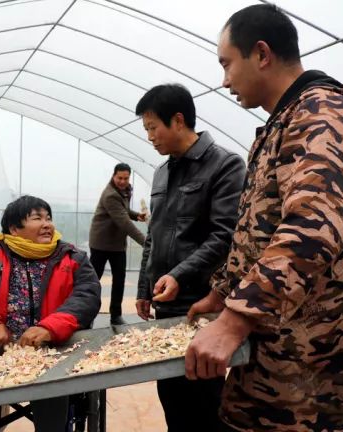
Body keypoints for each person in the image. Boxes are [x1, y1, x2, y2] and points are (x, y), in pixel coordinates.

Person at [184, 4, 343, 431]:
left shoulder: (320, 114)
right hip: (273, 356)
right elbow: (259, 229)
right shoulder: (282, 122)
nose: (224, 80)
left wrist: (235, 319)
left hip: (307, 371)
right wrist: (221, 294)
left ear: (261, 54)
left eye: (226, 63)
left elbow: (314, 227)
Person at [134, 83, 246, 431]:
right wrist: (143, 286)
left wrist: (180, 274)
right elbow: (153, 234)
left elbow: (224, 236)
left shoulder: (225, 165)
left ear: (178, 120)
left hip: (200, 304)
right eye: (146, 129)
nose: (150, 137)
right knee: (172, 398)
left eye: (153, 127)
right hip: (164, 303)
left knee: (202, 399)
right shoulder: (162, 172)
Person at [0, 195, 101, 432]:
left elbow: (87, 296)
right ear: (14, 229)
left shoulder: (72, 258)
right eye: (37, 218)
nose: (47, 224)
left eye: (48, 218)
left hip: (53, 354)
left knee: (52, 403)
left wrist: (49, 328)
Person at [89, 163, 147, 325]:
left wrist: (137, 216)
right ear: (113, 176)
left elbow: (124, 210)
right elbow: (123, 221)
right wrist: (146, 242)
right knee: (93, 281)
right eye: (119, 178)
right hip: (101, 243)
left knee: (119, 279)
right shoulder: (110, 195)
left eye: (126, 178)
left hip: (117, 244)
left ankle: (116, 315)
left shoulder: (125, 191)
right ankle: (87, 315)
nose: (123, 181)